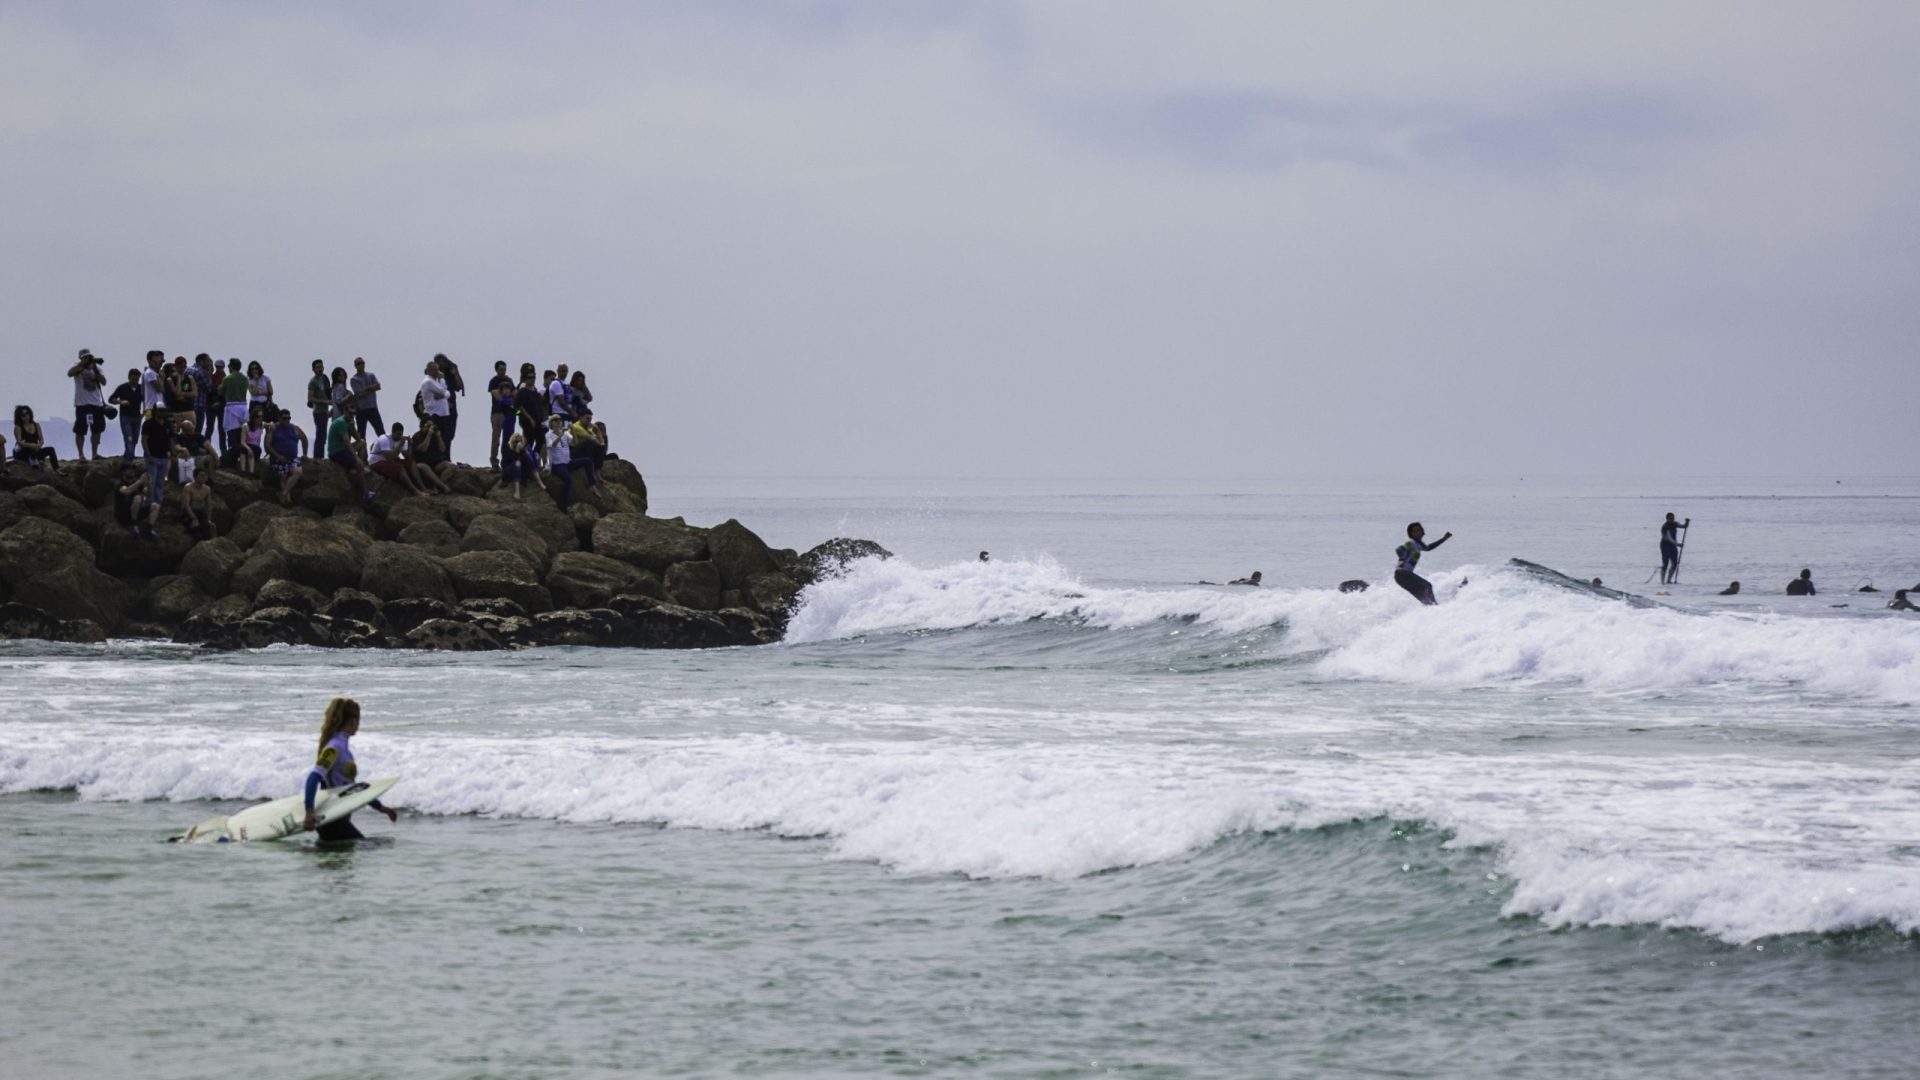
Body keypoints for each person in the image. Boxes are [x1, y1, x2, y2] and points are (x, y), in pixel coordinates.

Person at [300, 697, 397, 842]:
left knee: (343, 857)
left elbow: (351, 788)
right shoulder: (334, 748)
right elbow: (313, 777)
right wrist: (309, 812)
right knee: (373, 846)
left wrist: (381, 807)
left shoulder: (344, 749)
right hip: (331, 820)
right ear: (353, 721)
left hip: (339, 818)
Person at [1393, 522, 1452, 606]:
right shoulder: (1411, 542)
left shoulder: (1418, 545)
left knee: (1423, 596)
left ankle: (1432, 609)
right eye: (1414, 531)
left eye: (1419, 530)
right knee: (1427, 586)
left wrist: (1444, 539)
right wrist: (1402, 559)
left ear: (1422, 532)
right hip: (1403, 573)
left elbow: (1428, 548)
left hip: (1401, 577)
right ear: (1411, 534)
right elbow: (1399, 549)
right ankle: (1435, 607)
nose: (1417, 533)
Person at [326, 400, 375, 500]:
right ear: (344, 411)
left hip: (343, 448)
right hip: (336, 451)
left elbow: (357, 437)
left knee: (362, 442)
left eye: (353, 413)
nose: (352, 415)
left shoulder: (350, 421)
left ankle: (359, 466)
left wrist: (353, 428)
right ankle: (365, 493)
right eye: (350, 413)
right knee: (359, 465)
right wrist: (356, 458)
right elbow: (347, 442)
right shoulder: (341, 422)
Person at [68, 349, 109, 460]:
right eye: (86, 357)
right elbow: (69, 373)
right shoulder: (78, 367)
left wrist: (95, 368)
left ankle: (94, 454)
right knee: (81, 430)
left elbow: (104, 382)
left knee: (97, 429)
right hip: (82, 404)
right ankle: (81, 454)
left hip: (96, 404)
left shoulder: (96, 368)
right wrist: (82, 364)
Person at [140, 408, 173, 533]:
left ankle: (158, 505)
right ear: (155, 412)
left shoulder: (167, 424)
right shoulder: (148, 424)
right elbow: (144, 440)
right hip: (152, 458)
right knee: (151, 482)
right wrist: (148, 455)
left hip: (164, 458)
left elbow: (170, 440)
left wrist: (172, 452)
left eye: (164, 410)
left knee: (160, 483)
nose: (163, 413)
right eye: (160, 411)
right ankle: (148, 506)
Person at [266, 409, 307, 506]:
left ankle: (283, 494)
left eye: (289, 418)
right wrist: (278, 456)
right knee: (283, 476)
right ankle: (287, 500)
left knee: (298, 472)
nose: (287, 420)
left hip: (292, 458)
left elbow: (304, 439)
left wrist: (305, 454)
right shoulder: (274, 428)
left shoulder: (294, 428)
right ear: (279, 418)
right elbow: (267, 445)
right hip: (278, 458)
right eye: (284, 418)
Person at [513, 369, 549, 465]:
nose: (532, 379)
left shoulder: (535, 393)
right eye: (530, 377)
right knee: (529, 440)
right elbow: (517, 406)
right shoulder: (522, 392)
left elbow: (540, 406)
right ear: (525, 379)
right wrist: (525, 418)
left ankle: (534, 456)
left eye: (533, 377)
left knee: (541, 440)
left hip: (537, 420)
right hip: (527, 421)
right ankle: (521, 459)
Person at [568, 408, 605, 496]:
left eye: (590, 419)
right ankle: (591, 468)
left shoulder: (587, 428)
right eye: (587, 418)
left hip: (581, 451)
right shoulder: (577, 427)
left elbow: (601, 441)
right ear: (580, 417)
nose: (589, 421)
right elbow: (592, 439)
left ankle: (597, 471)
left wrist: (597, 430)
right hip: (572, 453)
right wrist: (601, 443)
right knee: (591, 443)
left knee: (600, 443)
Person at [109, 367, 144, 460]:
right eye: (133, 379)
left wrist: (144, 414)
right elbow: (111, 399)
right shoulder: (122, 388)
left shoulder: (141, 388)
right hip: (125, 417)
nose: (135, 381)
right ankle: (129, 458)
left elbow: (146, 400)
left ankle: (128, 455)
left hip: (137, 417)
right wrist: (120, 402)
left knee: (135, 439)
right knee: (129, 437)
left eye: (137, 379)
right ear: (129, 377)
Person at [113, 464, 153, 538]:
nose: (132, 471)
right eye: (129, 469)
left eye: (133, 469)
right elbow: (127, 491)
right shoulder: (119, 483)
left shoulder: (135, 481)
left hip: (135, 511)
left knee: (155, 506)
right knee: (137, 498)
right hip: (123, 514)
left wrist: (148, 483)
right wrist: (140, 481)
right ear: (123, 472)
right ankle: (133, 525)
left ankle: (149, 529)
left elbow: (148, 494)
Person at [433, 353, 465, 448]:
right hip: (439, 407)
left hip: (451, 406)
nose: (441, 363)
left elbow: (459, 386)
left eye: (442, 361)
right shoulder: (434, 375)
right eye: (438, 361)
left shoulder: (449, 373)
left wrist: (455, 373)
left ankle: (446, 456)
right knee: (439, 432)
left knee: (449, 432)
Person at [500, 431, 544, 499]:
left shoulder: (524, 448)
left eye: (520, 440)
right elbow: (506, 462)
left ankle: (539, 480)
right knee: (517, 463)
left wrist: (525, 451)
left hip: (522, 472)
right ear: (512, 440)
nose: (518, 442)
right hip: (509, 471)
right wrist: (517, 451)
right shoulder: (508, 447)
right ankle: (517, 491)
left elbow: (527, 461)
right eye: (516, 440)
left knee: (531, 454)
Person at [418, 359, 452, 445]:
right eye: (434, 370)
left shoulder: (435, 381)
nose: (437, 372)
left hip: (442, 414)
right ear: (429, 371)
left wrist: (444, 395)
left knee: (445, 437)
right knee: (435, 438)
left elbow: (447, 393)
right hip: (434, 414)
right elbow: (443, 390)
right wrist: (442, 379)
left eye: (438, 369)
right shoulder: (428, 381)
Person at [350, 357, 384, 442]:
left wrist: (365, 389)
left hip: (372, 407)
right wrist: (372, 388)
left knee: (380, 431)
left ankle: (384, 450)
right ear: (355, 366)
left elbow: (378, 386)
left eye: (362, 363)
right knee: (361, 435)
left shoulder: (371, 375)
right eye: (358, 364)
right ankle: (362, 454)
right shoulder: (354, 379)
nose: (361, 365)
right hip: (361, 409)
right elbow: (359, 394)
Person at [486, 361, 513, 468]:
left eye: (504, 369)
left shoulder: (509, 380)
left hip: (509, 415)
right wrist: (508, 401)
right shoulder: (494, 381)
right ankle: (494, 462)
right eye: (501, 369)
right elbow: (498, 397)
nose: (503, 372)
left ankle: (506, 461)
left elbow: (515, 396)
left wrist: (515, 408)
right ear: (496, 369)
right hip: (497, 413)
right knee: (496, 439)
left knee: (508, 440)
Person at [545, 414, 575, 509]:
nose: (558, 422)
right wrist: (560, 434)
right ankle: (566, 504)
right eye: (555, 420)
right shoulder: (548, 435)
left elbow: (574, 443)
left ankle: (592, 486)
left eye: (560, 420)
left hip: (567, 462)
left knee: (587, 461)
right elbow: (552, 445)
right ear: (551, 424)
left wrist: (573, 430)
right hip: (557, 464)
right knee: (568, 479)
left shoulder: (566, 434)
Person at [191, 354, 219, 442]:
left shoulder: (188, 370)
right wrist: (209, 373)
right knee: (198, 429)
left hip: (189, 405)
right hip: (199, 404)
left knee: (189, 429)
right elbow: (208, 388)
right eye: (208, 361)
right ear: (202, 361)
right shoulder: (201, 372)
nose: (209, 363)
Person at [182, 469, 216, 541]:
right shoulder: (188, 487)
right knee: (196, 530)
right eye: (201, 475)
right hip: (189, 512)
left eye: (205, 475)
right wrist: (193, 518)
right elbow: (186, 505)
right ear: (195, 476)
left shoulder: (207, 489)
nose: (204, 477)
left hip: (201, 511)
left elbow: (209, 505)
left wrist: (209, 519)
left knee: (208, 530)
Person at [305, 359, 331, 443]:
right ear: (313, 369)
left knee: (323, 434)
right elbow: (310, 398)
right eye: (317, 367)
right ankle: (318, 455)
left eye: (321, 367)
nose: (320, 369)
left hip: (325, 410)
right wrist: (324, 401)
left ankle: (320, 454)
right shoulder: (313, 382)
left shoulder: (325, 379)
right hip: (318, 411)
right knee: (320, 434)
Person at [1659, 513, 1689, 584]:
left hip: (1673, 546)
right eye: (1671, 518)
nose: (1672, 519)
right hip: (1665, 546)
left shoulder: (1675, 524)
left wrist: (1686, 523)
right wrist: (1678, 544)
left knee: (1675, 563)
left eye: (1673, 518)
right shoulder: (1665, 527)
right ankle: (1662, 582)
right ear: (1667, 519)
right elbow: (1669, 539)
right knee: (1665, 564)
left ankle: (1669, 580)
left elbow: (1683, 526)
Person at [141, 351, 168, 416]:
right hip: (151, 408)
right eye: (155, 362)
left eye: (160, 362)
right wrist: (162, 379)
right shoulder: (150, 373)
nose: (159, 364)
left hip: (159, 407)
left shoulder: (156, 374)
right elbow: (160, 389)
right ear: (149, 361)